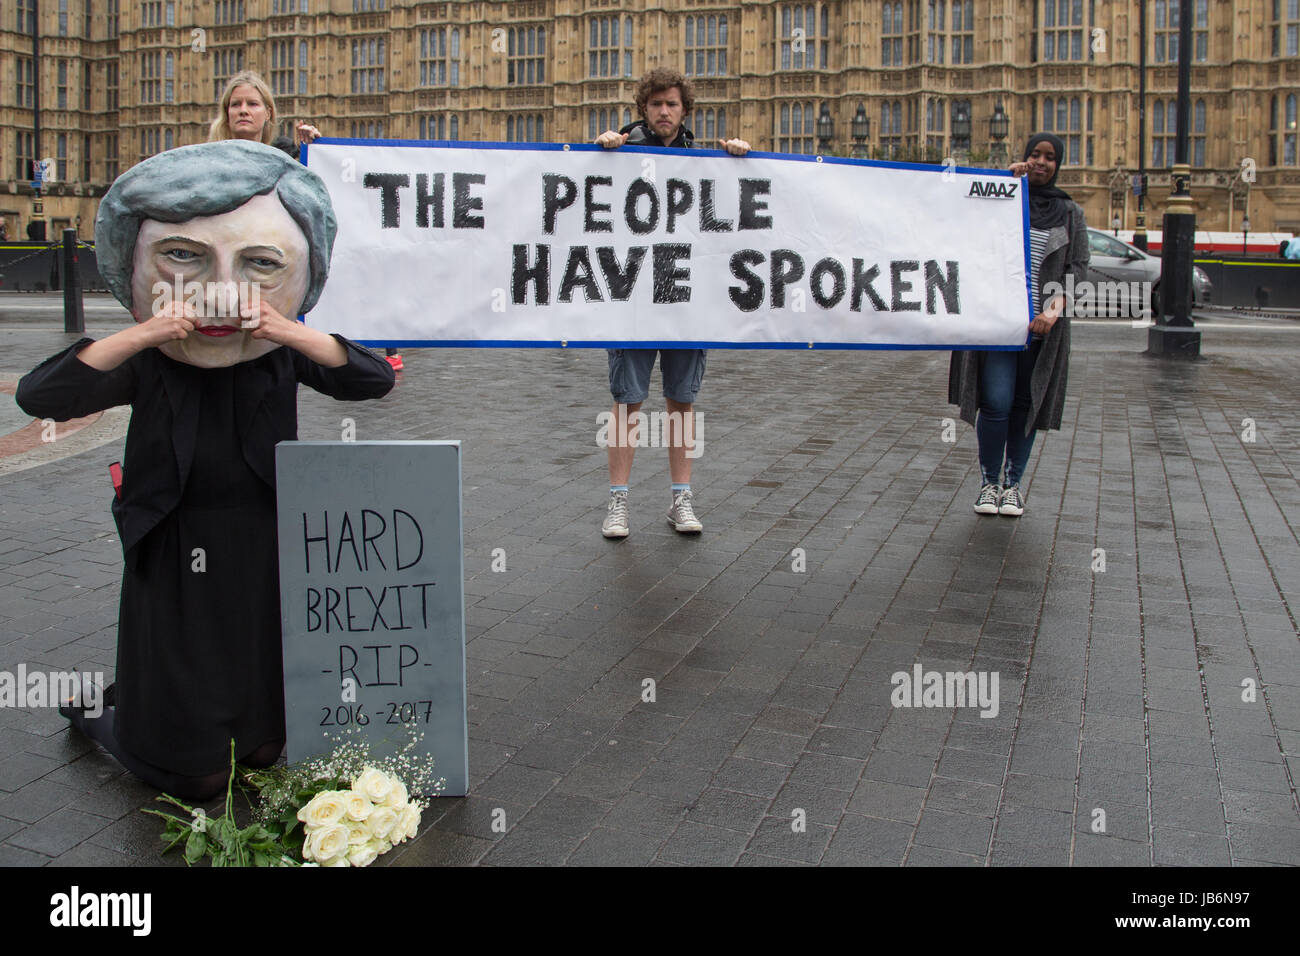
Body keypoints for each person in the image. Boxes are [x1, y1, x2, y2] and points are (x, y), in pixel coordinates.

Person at [16, 140, 395, 799]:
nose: (222, 289)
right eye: (186, 257)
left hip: (261, 534)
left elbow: (369, 381)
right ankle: (105, 718)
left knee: (268, 748)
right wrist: (145, 332)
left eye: (258, 263)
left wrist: (287, 328)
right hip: (173, 540)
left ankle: (167, 706)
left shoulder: (276, 351)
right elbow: (39, 396)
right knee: (198, 779)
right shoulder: (154, 356)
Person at [594, 67, 750, 538]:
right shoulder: (617, 151)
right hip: (633, 301)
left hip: (687, 302)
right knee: (628, 404)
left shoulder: (704, 161)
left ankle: (681, 499)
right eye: (657, 103)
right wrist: (598, 150)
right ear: (644, 108)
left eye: (673, 104)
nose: (664, 111)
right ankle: (618, 503)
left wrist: (740, 159)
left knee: (682, 403)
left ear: (685, 111)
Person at [948, 132, 1088, 518]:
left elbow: (1078, 268)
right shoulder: (1004, 200)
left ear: (1059, 165)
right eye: (1034, 155)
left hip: (1041, 328)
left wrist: (1053, 311)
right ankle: (989, 483)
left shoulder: (1071, 213)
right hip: (998, 322)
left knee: (1026, 406)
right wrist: (1005, 183)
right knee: (995, 403)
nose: (1042, 162)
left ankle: (1013, 485)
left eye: (1050, 157)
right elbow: (965, 221)